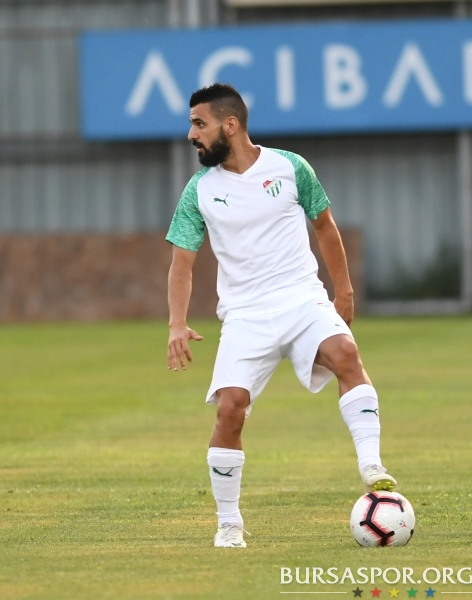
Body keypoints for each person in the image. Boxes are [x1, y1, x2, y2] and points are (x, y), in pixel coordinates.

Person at [166, 83, 396, 549]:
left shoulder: (290, 167)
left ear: (230, 125)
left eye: (199, 124)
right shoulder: (199, 191)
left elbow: (325, 227)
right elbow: (181, 263)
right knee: (229, 409)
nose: (192, 134)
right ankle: (229, 524)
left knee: (345, 354)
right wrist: (176, 323)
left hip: (301, 299)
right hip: (245, 316)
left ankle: (371, 464)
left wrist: (344, 290)